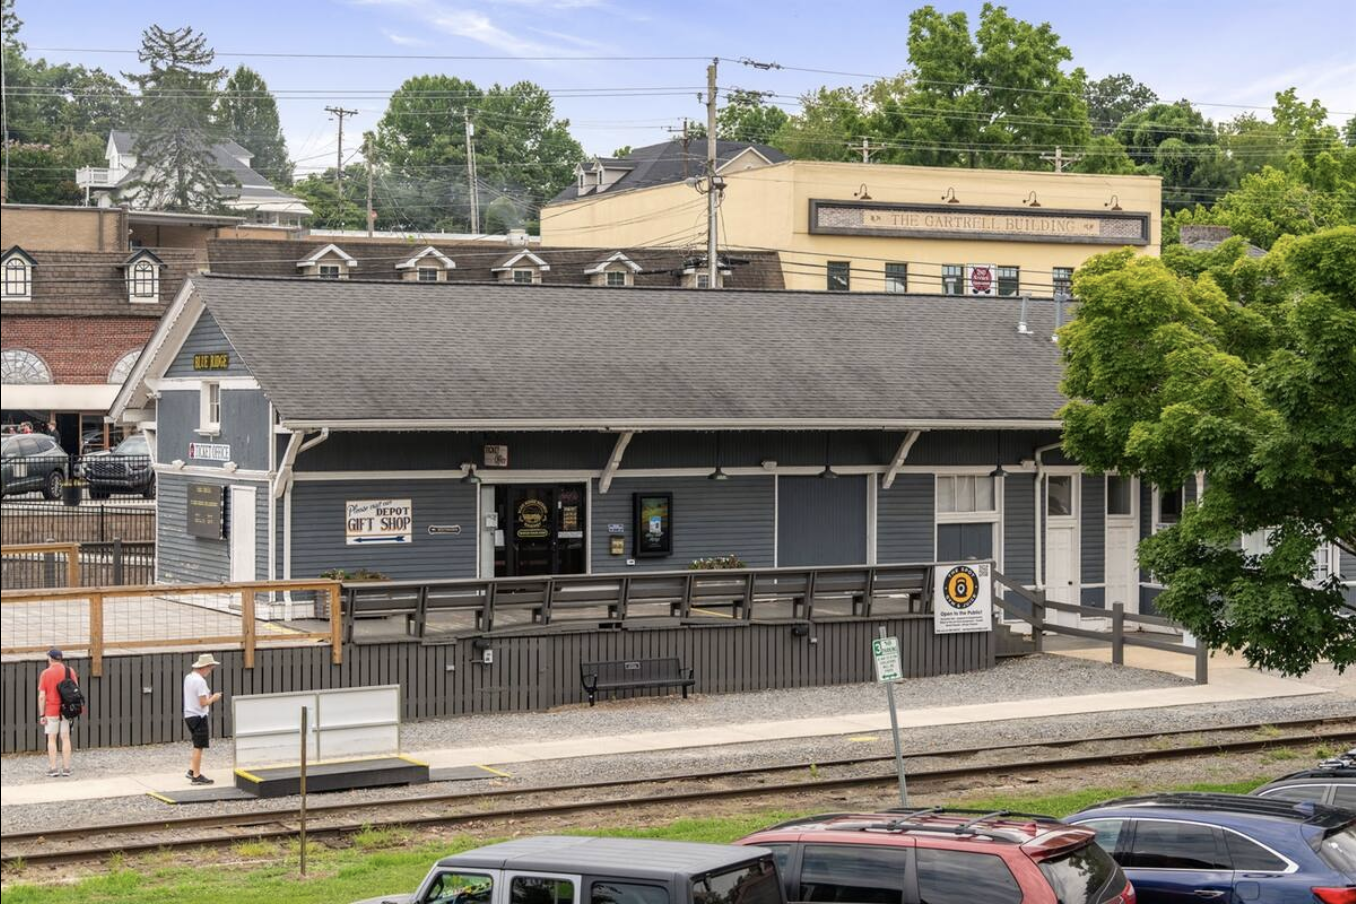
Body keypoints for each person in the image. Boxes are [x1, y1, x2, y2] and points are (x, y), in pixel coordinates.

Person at [184, 653, 223, 785]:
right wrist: (214, 698)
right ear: (204, 667)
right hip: (199, 716)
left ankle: (191, 770)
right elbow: (203, 702)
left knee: (197, 744)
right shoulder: (200, 681)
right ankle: (196, 775)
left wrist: (207, 697)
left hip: (189, 714)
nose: (210, 671)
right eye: (210, 668)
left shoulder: (189, 677)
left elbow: (195, 696)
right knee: (199, 746)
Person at [37, 648, 76, 777]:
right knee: (65, 737)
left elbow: (42, 696)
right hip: (66, 710)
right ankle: (66, 768)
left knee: (52, 738)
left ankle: (53, 769)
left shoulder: (45, 673)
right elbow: (74, 691)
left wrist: (42, 714)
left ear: (50, 658)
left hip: (51, 710)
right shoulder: (69, 671)